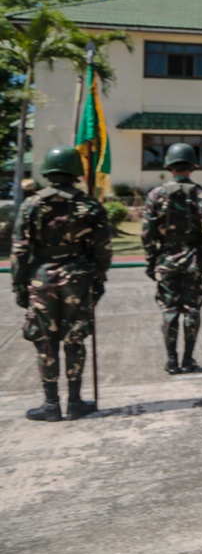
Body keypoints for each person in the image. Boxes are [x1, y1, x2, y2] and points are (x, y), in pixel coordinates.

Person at [10, 146, 112, 421]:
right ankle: (75, 401)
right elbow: (102, 249)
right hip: (77, 280)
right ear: (76, 171)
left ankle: (51, 403)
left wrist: (19, 285)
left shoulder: (31, 204)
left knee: (45, 341)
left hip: (42, 279)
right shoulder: (89, 205)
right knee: (74, 339)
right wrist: (98, 278)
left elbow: (20, 250)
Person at [141, 142, 202, 374]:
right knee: (192, 310)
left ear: (170, 166)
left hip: (167, 257)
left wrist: (151, 259)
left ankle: (171, 359)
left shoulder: (156, 194)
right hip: (194, 256)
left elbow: (147, 232)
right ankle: (188, 358)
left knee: (169, 310)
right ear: (192, 167)